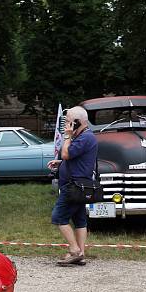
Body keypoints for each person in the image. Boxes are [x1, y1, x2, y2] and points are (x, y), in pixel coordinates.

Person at [46, 106, 98, 266]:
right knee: (79, 219)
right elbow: (76, 158)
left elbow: (66, 153)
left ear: (78, 122)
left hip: (73, 186)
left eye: (68, 122)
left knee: (59, 217)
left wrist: (67, 137)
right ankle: (81, 254)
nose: (66, 125)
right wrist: (61, 163)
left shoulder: (85, 137)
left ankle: (74, 250)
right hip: (78, 185)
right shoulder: (83, 136)